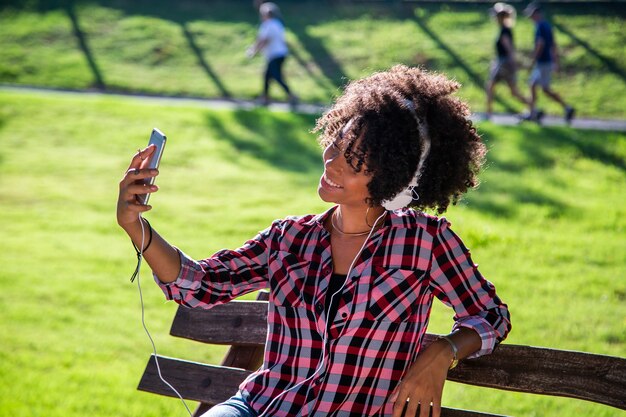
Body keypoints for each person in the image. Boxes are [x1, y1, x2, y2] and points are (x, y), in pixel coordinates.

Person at [117, 65, 511, 417]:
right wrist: (135, 225)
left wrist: (443, 352)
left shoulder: (425, 243)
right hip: (258, 406)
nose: (331, 162)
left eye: (354, 162)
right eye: (336, 145)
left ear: (396, 181)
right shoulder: (290, 238)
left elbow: (490, 315)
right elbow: (201, 285)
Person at [523, 2, 575, 124]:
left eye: (532, 15)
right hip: (545, 62)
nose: (531, 18)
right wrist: (556, 61)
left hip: (543, 63)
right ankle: (533, 112)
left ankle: (567, 108)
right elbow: (553, 45)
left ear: (537, 14)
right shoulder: (546, 25)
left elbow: (541, 44)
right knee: (532, 85)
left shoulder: (541, 26)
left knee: (545, 89)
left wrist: (533, 61)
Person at [247, 2, 297, 107]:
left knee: (276, 76)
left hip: (275, 55)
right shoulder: (277, 24)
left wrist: (253, 51)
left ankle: (291, 95)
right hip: (279, 54)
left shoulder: (269, 25)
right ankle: (265, 98)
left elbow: (264, 40)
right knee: (267, 76)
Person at [485, 2, 530, 120]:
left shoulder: (505, 31)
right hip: (502, 62)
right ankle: (488, 113)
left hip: (504, 64)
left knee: (507, 90)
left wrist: (513, 62)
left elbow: (509, 48)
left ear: (500, 16)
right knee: (499, 88)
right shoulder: (503, 29)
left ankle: (532, 107)